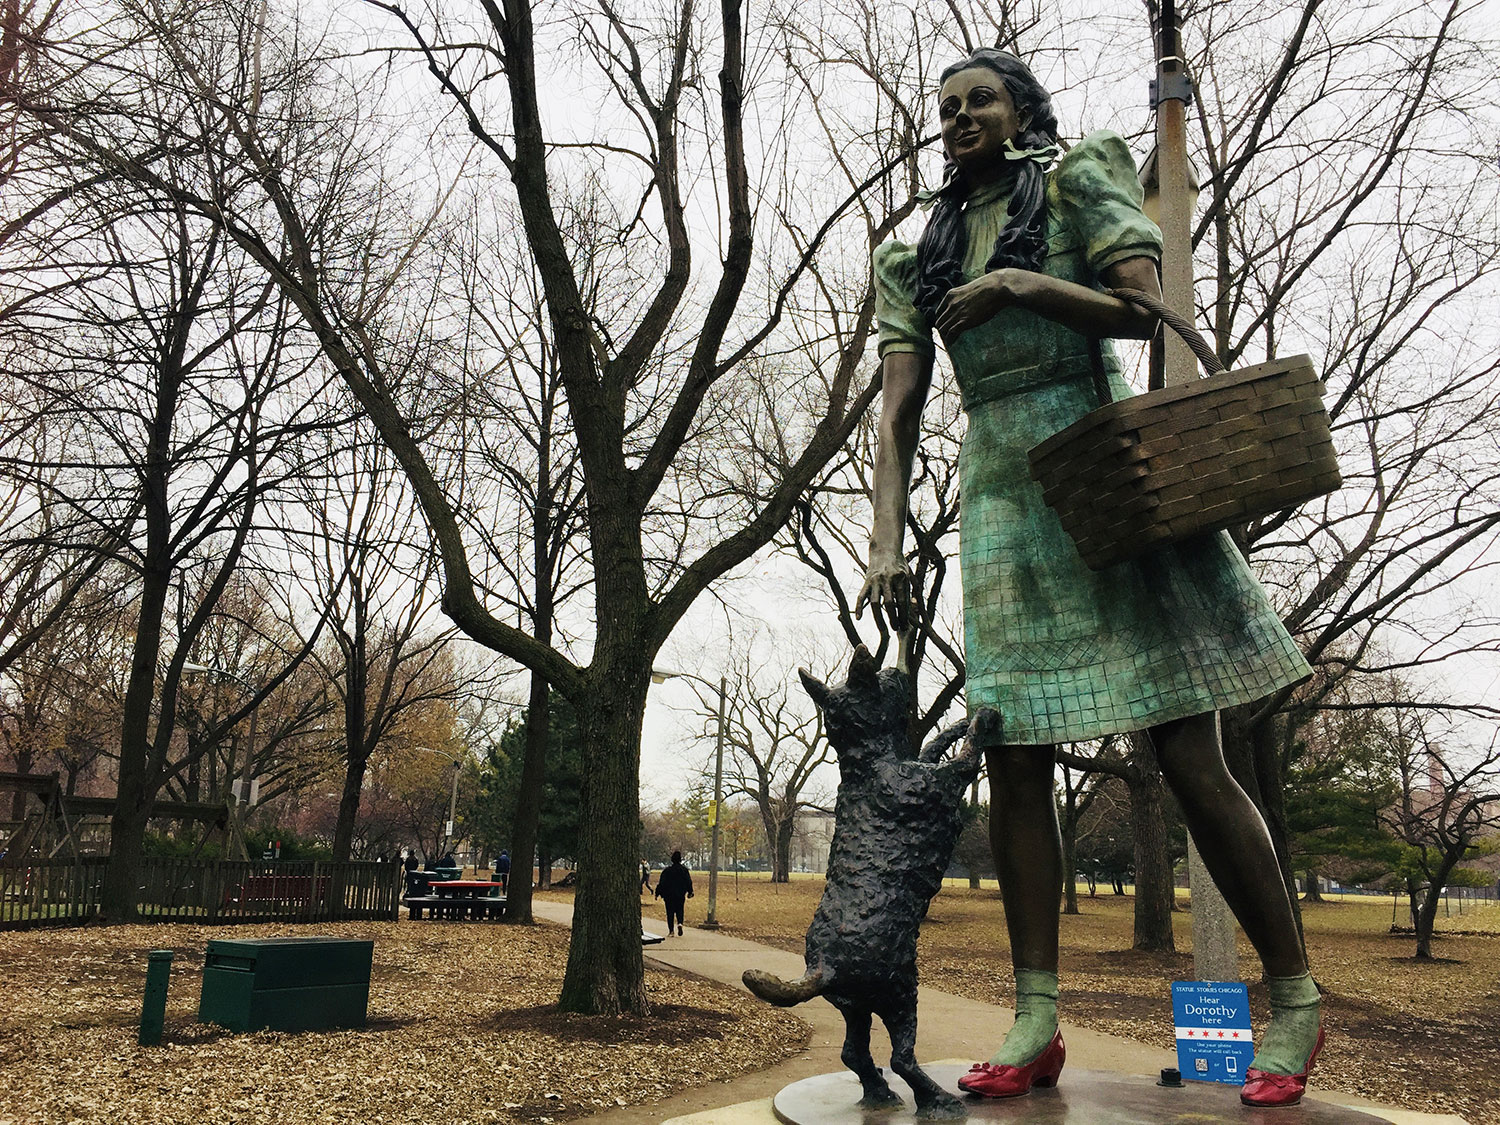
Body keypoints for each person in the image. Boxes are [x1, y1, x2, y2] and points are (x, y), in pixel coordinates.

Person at [856, 49, 1321, 1109]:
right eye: (947, 107)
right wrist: (884, 537)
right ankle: (1034, 1016)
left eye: (981, 99)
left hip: (1106, 468)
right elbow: (892, 411)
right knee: (1014, 752)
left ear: (1023, 112)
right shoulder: (912, 250)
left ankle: (1292, 994)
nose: (960, 116)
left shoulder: (1076, 183)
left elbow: (1139, 312)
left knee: (1187, 752)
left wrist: (1026, 281)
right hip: (1001, 497)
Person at [653, 851, 694, 937]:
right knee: (680, 910)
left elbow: (662, 883)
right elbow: (688, 882)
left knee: (670, 913)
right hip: (680, 894)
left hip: (669, 895)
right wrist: (690, 892)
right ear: (680, 859)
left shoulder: (667, 871)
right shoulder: (684, 870)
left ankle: (671, 931)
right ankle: (680, 923)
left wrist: (657, 893)